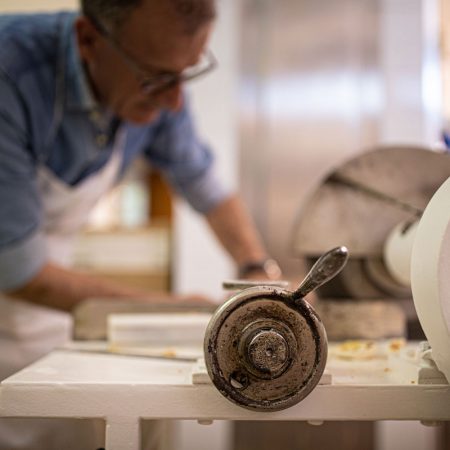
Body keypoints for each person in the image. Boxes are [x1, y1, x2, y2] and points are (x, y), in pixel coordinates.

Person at [0, 0, 280, 447]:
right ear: (88, 40)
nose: (174, 100)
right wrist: (175, 310)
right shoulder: (10, 74)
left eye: (187, 74)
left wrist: (257, 269)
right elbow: (17, 270)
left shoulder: (160, 82)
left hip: (46, 314)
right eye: (156, 77)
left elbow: (206, 187)